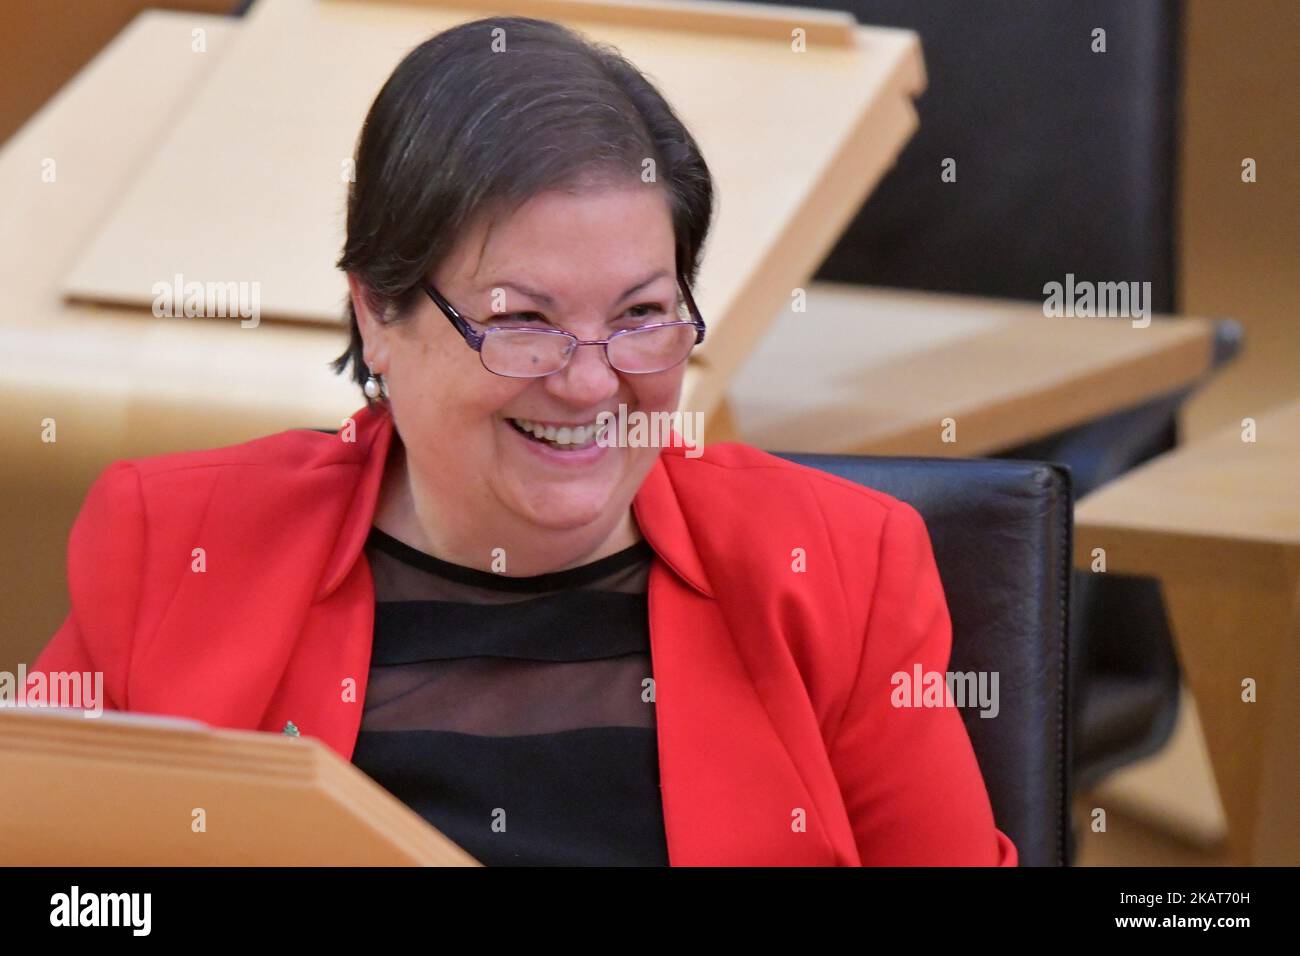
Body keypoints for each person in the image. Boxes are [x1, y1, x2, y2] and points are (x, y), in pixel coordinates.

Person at [31, 16, 1016, 866]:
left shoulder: (841, 568)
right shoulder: (174, 541)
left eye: (641, 313)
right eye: (521, 320)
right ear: (377, 313)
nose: (590, 381)